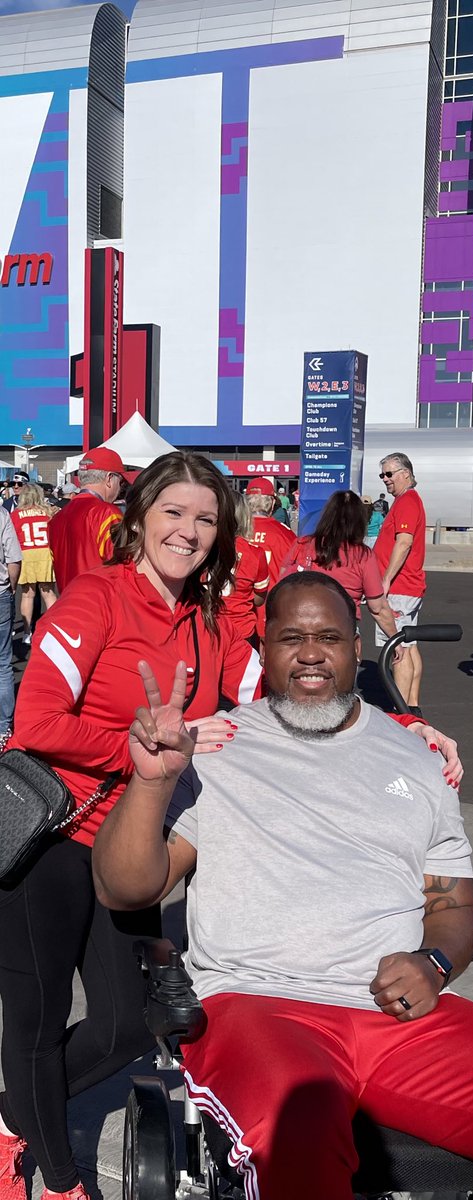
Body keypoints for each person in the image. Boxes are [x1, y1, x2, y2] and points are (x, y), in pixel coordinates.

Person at [91, 573, 473, 1200]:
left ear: (357, 648)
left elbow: (451, 899)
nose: (311, 653)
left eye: (328, 638)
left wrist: (434, 961)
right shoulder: (215, 750)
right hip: (259, 1006)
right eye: (291, 638)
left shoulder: (417, 758)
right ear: (264, 649)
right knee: (302, 1132)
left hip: (399, 1018)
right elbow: (124, 890)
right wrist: (152, 782)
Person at [0, 452, 263, 1200]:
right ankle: (56, 1181)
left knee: (122, 1028)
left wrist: (402, 724)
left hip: (127, 847)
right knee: (38, 1022)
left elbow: (280, 686)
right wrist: (134, 748)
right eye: (174, 512)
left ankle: (12, 1115)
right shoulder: (95, 599)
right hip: (46, 837)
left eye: (205, 519)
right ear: (139, 515)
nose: (187, 530)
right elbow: (34, 720)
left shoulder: (210, 621)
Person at [278, 490, 403, 655]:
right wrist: (395, 640)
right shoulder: (362, 555)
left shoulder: (303, 545)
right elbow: (378, 607)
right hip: (339, 630)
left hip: (301, 628)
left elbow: (281, 585)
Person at [374, 453, 426, 714]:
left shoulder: (407, 501)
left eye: (389, 474)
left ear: (406, 473)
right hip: (406, 587)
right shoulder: (404, 501)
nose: (385, 479)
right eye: (382, 474)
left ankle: (401, 712)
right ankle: (412, 706)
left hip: (400, 588)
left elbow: (403, 542)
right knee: (409, 645)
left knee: (398, 649)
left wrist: (385, 579)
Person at [47, 447, 126, 592]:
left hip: (67, 603)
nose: (120, 488)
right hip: (100, 605)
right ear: (109, 478)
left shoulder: (56, 518)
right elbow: (123, 567)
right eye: (120, 482)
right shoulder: (107, 513)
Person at [9, 483, 57, 647]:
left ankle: (28, 632)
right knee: (48, 593)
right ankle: (54, 629)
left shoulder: (16, 514)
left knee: (27, 594)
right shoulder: (48, 511)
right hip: (45, 552)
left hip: (26, 553)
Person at [220, 494, 269, 645]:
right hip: (241, 631)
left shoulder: (202, 548)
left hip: (207, 628)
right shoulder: (255, 553)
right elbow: (259, 598)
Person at [244, 477, 297, 585]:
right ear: (272, 503)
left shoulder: (233, 531)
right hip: (272, 598)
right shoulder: (286, 535)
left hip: (237, 600)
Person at [0, 506, 22, 739]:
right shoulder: (1, 515)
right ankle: (3, 727)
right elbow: (13, 559)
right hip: (0, 593)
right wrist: (11, 587)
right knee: (2, 664)